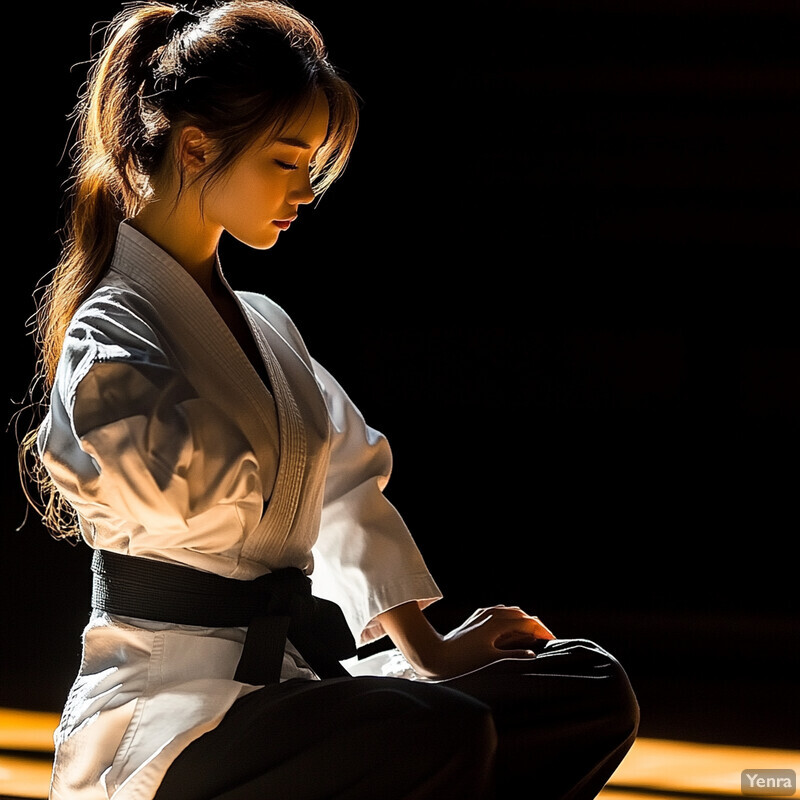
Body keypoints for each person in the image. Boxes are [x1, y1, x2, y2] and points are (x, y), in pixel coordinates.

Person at [18, 1, 639, 798]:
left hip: (289, 691)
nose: (305, 189)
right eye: (286, 160)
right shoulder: (111, 328)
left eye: (310, 163)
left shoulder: (267, 327)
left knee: (588, 688)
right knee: (439, 731)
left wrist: (436, 652)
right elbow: (147, 461)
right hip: (170, 711)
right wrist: (276, 480)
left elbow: (341, 486)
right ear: (197, 145)